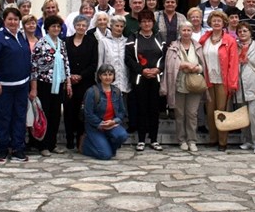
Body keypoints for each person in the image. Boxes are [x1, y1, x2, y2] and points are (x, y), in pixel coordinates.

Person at [0, 7, 32, 162]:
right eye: (10, 19)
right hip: (3, 87)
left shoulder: (21, 35)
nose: (13, 22)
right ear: (4, 20)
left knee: (19, 117)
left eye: (16, 19)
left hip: (22, 86)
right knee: (3, 118)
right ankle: (3, 148)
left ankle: (18, 147)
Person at [31, 15, 72, 157]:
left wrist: (68, 83)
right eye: (53, 26)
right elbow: (34, 67)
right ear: (47, 28)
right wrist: (34, 88)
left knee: (55, 115)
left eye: (58, 26)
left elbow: (66, 63)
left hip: (59, 84)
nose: (56, 29)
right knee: (44, 115)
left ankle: (52, 144)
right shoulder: (40, 44)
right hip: (44, 84)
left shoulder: (62, 43)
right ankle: (42, 146)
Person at [161, 21, 206, 152]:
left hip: (195, 85)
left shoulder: (198, 46)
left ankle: (192, 140)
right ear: (179, 32)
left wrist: (196, 68)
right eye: (183, 30)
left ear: (192, 32)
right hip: (179, 84)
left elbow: (204, 67)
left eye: (188, 30)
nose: (186, 33)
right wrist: (184, 65)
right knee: (180, 114)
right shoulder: (173, 47)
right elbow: (169, 65)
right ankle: (181, 139)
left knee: (192, 114)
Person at [126, 9, 166, 151]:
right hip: (139, 79)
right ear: (139, 23)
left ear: (153, 23)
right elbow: (129, 58)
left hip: (156, 79)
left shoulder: (159, 37)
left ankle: (154, 139)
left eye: (149, 21)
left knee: (154, 110)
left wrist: (158, 69)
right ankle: (141, 139)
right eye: (143, 21)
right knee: (141, 108)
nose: (146, 24)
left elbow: (164, 57)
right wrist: (141, 70)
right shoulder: (133, 37)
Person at [199, 10, 239, 151]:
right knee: (210, 111)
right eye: (214, 20)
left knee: (222, 111)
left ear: (223, 23)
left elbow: (233, 63)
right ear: (210, 23)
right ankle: (213, 138)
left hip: (223, 80)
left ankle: (223, 141)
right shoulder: (204, 39)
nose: (216, 23)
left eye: (219, 21)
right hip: (208, 79)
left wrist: (233, 83)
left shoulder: (229, 41)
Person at [64, 14, 98, 150]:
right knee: (69, 111)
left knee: (82, 112)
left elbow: (93, 63)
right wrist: (70, 76)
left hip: (85, 82)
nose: (81, 27)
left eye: (84, 25)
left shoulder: (92, 42)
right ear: (74, 26)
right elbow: (63, 61)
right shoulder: (65, 41)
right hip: (68, 83)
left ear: (87, 27)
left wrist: (80, 76)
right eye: (78, 25)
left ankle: (80, 139)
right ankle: (69, 139)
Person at [81, 64, 129, 160]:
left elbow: (122, 112)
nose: (108, 77)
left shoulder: (117, 91)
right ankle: (84, 145)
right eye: (104, 75)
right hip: (96, 126)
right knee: (105, 156)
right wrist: (101, 123)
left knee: (122, 135)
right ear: (99, 76)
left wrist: (114, 121)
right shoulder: (92, 92)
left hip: (111, 125)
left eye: (110, 74)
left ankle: (106, 146)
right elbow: (88, 114)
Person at [234, 22, 255, 154]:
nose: (242, 33)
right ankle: (247, 140)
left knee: (253, 115)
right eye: (240, 31)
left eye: (245, 31)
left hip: (254, 84)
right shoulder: (234, 46)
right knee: (243, 115)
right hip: (239, 85)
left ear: (250, 33)